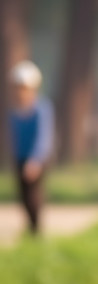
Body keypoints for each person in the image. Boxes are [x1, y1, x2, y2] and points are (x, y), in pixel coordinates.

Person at [7, 60, 54, 235]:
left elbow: (43, 136)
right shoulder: (15, 111)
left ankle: (36, 230)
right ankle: (30, 228)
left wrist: (35, 160)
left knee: (34, 195)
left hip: (37, 159)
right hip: (20, 157)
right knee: (22, 195)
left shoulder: (41, 109)